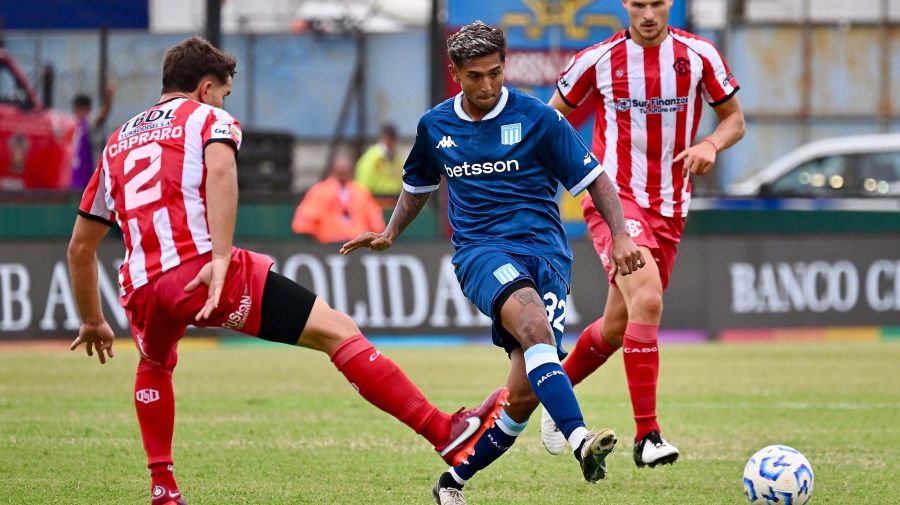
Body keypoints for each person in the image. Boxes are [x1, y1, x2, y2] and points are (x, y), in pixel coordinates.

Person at [67, 36, 509, 505]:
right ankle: (444, 432)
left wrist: (93, 319)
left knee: (154, 365)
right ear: (205, 88)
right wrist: (218, 258)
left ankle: (163, 488)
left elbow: (80, 247)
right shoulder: (207, 118)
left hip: (142, 287)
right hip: (200, 271)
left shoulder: (116, 142)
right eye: (224, 93)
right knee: (337, 331)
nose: (223, 102)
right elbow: (219, 171)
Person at [340, 21, 645, 505]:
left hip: (547, 255)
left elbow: (595, 179)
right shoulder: (435, 126)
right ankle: (581, 441)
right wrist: (389, 233)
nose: (487, 85)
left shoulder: (538, 119)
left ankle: (453, 483)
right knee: (533, 325)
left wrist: (623, 233)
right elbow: (417, 186)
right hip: (481, 253)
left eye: (495, 73)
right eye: (475, 76)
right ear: (454, 73)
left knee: (522, 395)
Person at [541, 0, 746, 468]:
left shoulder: (700, 56)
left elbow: (735, 119)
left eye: (657, 2)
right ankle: (648, 436)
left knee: (617, 327)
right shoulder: (596, 60)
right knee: (649, 300)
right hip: (612, 199)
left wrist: (711, 143)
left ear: (669, 3)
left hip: (671, 206)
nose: (649, 13)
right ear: (625, 5)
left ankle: (553, 394)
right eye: (639, 3)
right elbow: (549, 126)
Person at [291, 155, 386, 243]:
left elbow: (376, 220)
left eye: (345, 169)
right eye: (340, 169)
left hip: (358, 245)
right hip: (328, 244)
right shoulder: (319, 191)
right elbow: (304, 222)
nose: (343, 171)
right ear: (333, 169)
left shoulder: (361, 192)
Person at [70, 83, 116, 189]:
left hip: (89, 178)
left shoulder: (90, 121)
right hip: (78, 179)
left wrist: (108, 99)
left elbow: (102, 116)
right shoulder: (79, 126)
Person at [354, 123, 404, 197]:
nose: (391, 141)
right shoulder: (371, 157)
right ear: (383, 138)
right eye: (389, 138)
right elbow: (363, 183)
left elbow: (402, 180)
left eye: (393, 138)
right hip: (376, 199)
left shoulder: (397, 158)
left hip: (394, 200)